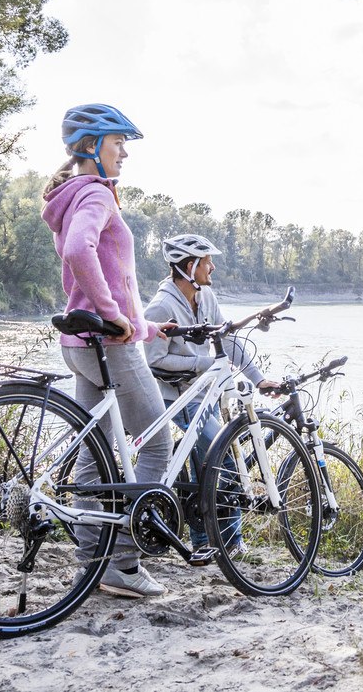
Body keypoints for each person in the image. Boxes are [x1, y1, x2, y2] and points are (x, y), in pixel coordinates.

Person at [41, 103, 174, 599]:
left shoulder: (70, 194)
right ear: (92, 146)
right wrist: (115, 316)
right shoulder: (95, 193)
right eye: (119, 143)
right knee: (157, 441)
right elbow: (81, 251)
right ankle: (124, 560)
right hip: (106, 343)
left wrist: (143, 324)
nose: (125, 154)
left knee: (94, 456)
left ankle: (91, 566)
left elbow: (108, 277)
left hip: (80, 344)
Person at [143, 233, 279, 554]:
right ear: (190, 266)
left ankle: (203, 540)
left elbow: (227, 340)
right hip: (173, 394)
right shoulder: (162, 306)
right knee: (225, 457)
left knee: (204, 461)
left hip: (205, 392)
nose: (212, 267)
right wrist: (203, 364)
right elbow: (153, 360)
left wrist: (258, 380)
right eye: (207, 262)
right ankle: (231, 543)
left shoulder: (205, 297)